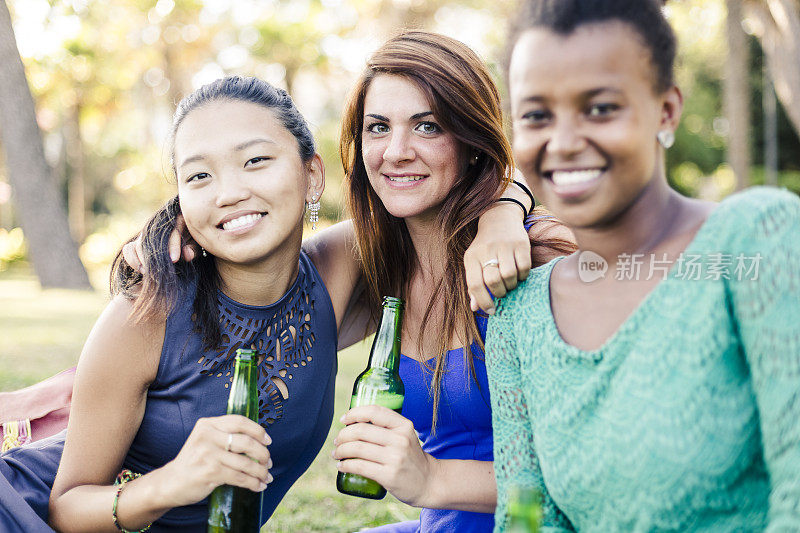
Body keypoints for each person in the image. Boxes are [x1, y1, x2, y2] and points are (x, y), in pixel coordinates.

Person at [125, 32, 574, 532]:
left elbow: (592, 471)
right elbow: (246, 240)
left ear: (471, 141)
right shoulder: (374, 257)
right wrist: (171, 226)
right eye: (378, 127)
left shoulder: (529, 258)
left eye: (427, 126)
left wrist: (432, 480)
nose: (396, 151)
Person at [485, 0, 800, 531]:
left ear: (667, 110)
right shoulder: (519, 316)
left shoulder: (752, 243)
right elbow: (527, 516)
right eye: (537, 115)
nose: (563, 142)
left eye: (600, 108)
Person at [1, 76, 351, 532]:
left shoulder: (340, 270)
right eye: (200, 175)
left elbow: (438, 194)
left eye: (255, 160)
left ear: (312, 175)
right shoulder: (146, 314)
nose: (228, 193)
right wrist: (173, 483)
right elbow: (64, 508)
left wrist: (482, 229)